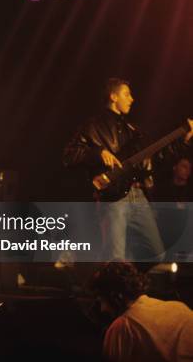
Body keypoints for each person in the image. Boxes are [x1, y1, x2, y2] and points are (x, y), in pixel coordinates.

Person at [63, 78, 193, 261]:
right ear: (113, 96)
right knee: (115, 258)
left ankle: (129, 283)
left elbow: (154, 158)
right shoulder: (93, 126)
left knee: (157, 253)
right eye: (127, 94)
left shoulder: (132, 130)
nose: (132, 99)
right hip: (113, 197)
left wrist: (183, 141)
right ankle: (112, 284)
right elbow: (69, 155)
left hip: (138, 195)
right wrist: (98, 153)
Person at [88, 261, 193, 362]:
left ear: (115, 296)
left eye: (102, 301)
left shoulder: (123, 326)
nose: (102, 309)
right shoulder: (179, 307)